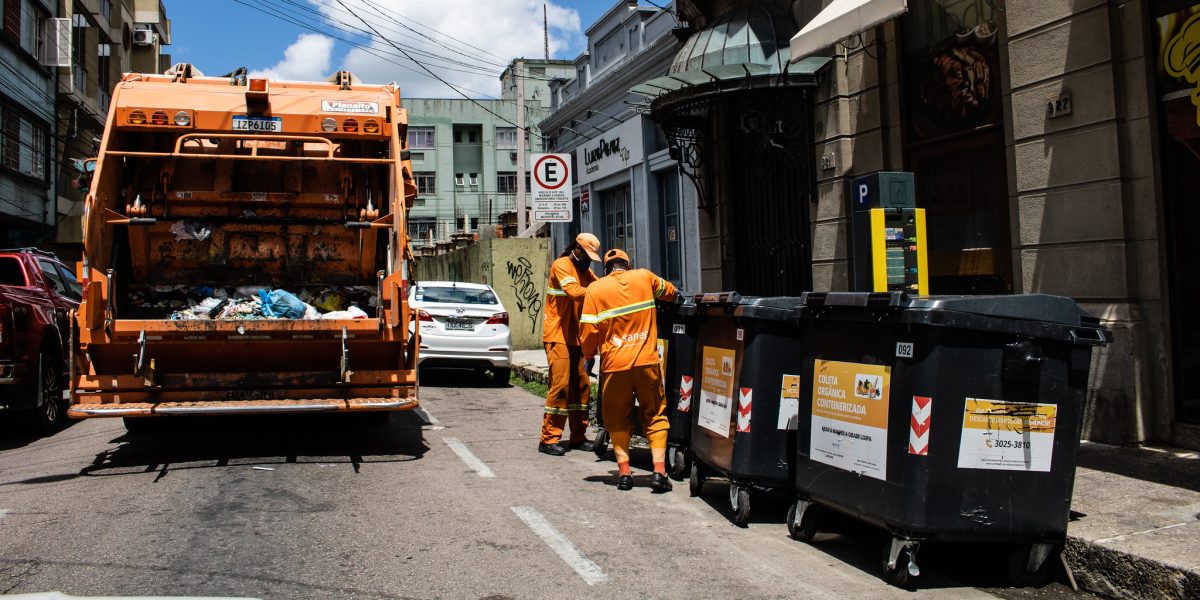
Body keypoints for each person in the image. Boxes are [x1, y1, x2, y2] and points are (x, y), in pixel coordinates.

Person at [579, 249, 677, 492]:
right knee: (655, 415)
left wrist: (589, 355)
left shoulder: (595, 289)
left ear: (607, 269)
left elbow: (589, 332)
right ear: (628, 265)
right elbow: (671, 292)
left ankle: (624, 473)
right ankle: (659, 472)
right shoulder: (644, 277)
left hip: (614, 366)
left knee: (616, 419)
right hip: (647, 362)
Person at [538, 232, 602, 456]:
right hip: (558, 335)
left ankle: (578, 436)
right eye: (585, 255)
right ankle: (548, 438)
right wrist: (603, 293)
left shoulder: (585, 271)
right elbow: (575, 293)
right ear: (576, 249)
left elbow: (600, 287)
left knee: (581, 387)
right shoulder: (562, 265)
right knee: (561, 386)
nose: (587, 260)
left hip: (577, 337)